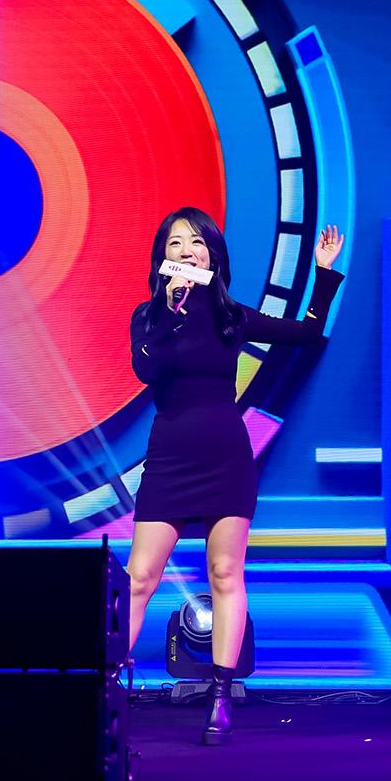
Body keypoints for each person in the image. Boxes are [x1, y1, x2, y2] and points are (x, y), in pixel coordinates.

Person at [126, 208, 345, 744]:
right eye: (176, 243)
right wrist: (171, 311)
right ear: (161, 258)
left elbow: (308, 334)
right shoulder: (149, 317)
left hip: (225, 456)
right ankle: (101, 687)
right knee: (138, 578)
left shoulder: (231, 318)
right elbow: (146, 370)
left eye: (197, 242)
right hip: (170, 457)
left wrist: (323, 274)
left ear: (213, 255)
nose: (187, 250)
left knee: (225, 573)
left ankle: (221, 696)